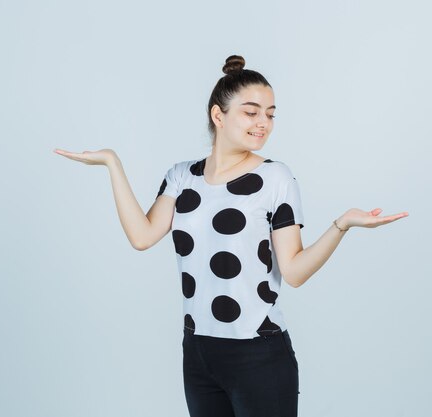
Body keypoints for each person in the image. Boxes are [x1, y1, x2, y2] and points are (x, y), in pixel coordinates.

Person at [54, 54, 409, 417]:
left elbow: (295, 273)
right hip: (198, 352)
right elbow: (142, 236)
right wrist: (113, 164)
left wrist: (341, 226)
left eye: (270, 114)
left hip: (258, 355)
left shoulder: (276, 178)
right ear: (218, 115)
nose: (263, 123)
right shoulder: (181, 177)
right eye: (251, 112)